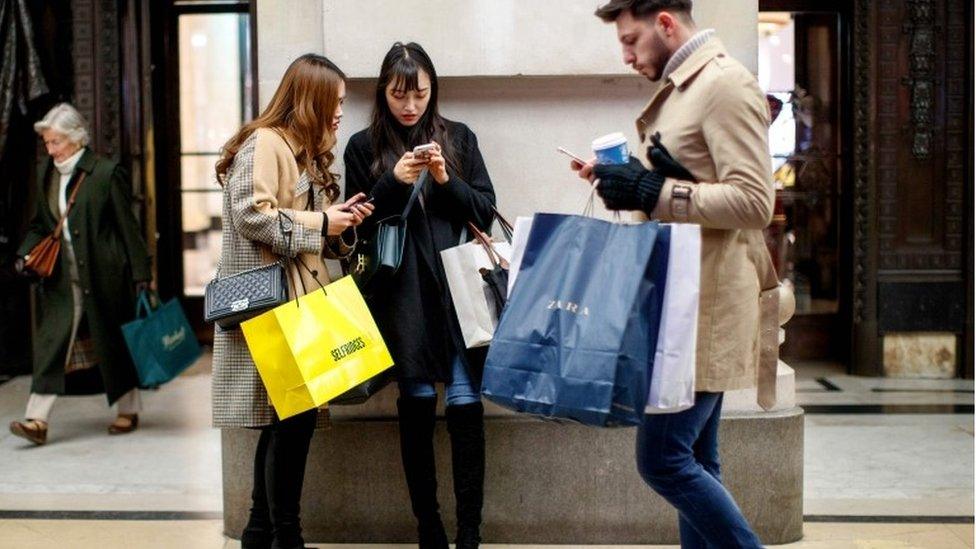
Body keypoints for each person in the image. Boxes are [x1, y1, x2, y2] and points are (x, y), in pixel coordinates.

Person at [575, 1, 778, 547]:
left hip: (705, 308)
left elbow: (755, 201)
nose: (625, 55)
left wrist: (651, 189)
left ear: (666, 23)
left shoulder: (723, 84)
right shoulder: (686, 86)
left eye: (630, 40)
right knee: (696, 460)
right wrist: (626, 183)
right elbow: (687, 187)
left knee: (663, 459)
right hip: (683, 302)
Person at [212, 53, 373, 549]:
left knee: (289, 419)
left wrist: (337, 222)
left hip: (295, 305)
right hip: (271, 304)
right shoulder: (267, 143)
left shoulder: (299, 148)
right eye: (337, 101)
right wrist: (323, 223)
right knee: (292, 420)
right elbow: (251, 216)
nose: (342, 112)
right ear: (312, 99)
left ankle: (262, 531)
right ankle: (285, 535)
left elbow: (300, 225)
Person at [343, 42, 495, 549]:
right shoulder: (363, 147)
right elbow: (354, 231)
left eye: (420, 94)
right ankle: (428, 528)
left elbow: (486, 211)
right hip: (402, 293)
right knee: (417, 401)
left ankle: (469, 531)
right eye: (399, 94)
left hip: (457, 289)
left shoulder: (460, 138)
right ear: (383, 92)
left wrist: (444, 178)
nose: (410, 106)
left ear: (434, 91)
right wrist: (391, 181)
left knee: (466, 401)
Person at [10, 103, 151, 445]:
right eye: (47, 142)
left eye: (55, 142)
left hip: (105, 274)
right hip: (61, 275)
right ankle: (37, 420)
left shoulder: (105, 172)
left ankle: (128, 409)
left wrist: (140, 274)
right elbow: (41, 224)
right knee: (52, 341)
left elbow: (127, 226)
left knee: (113, 340)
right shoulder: (47, 172)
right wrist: (25, 254)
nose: (50, 149)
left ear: (75, 139)